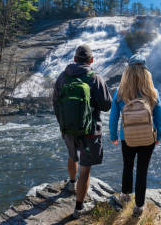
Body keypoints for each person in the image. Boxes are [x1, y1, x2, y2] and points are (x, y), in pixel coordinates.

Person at [52, 44, 111, 218]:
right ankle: (78, 208)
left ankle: (71, 183)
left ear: (75, 59)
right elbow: (106, 105)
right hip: (90, 131)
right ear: (91, 60)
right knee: (85, 170)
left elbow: (55, 102)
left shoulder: (62, 77)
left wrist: (62, 124)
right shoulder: (95, 78)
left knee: (72, 155)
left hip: (68, 128)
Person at [109, 54, 161, 217]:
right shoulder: (152, 92)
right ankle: (139, 206)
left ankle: (125, 195)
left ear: (127, 72)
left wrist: (113, 135)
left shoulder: (120, 92)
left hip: (127, 137)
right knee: (142, 170)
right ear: (146, 72)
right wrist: (158, 135)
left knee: (127, 165)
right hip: (148, 137)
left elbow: (113, 117)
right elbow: (159, 116)